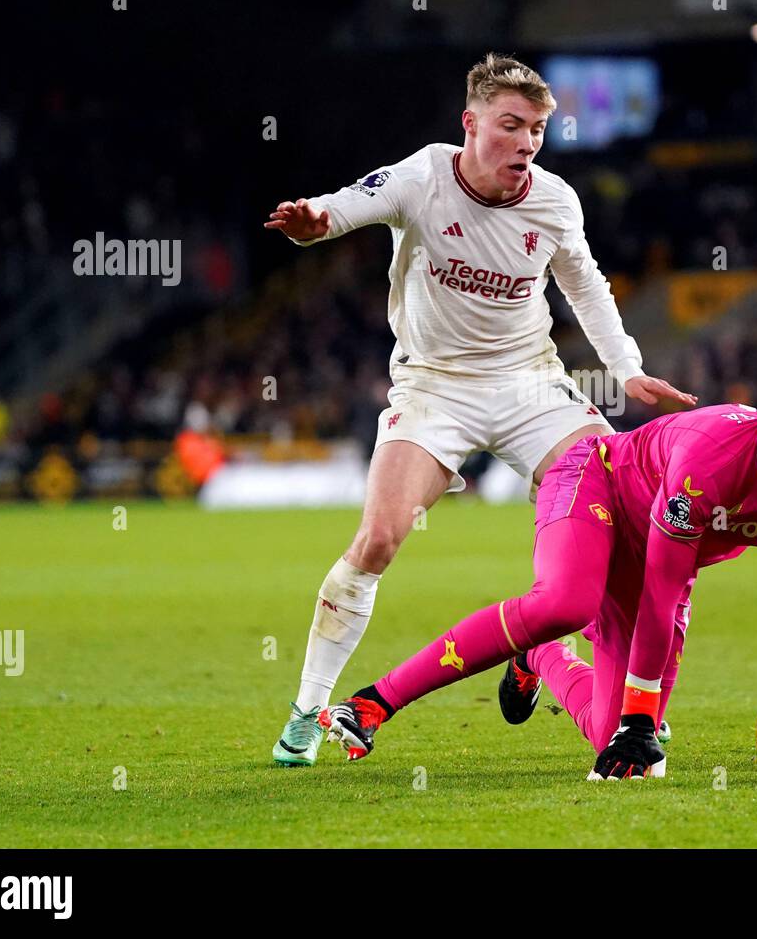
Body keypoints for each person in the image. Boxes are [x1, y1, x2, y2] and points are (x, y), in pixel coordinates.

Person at [264, 53, 695, 765]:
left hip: (529, 383)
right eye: (510, 126)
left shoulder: (554, 200)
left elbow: (584, 284)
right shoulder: (423, 177)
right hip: (434, 387)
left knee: (621, 510)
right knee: (377, 540)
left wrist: (626, 368)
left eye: (536, 131)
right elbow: (346, 205)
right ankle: (308, 712)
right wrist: (315, 221)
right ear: (470, 125)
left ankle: (621, 701)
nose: (526, 144)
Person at [325, 357, 757, 779]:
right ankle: (373, 702)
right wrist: (642, 722)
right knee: (567, 604)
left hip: (658, 551)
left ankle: (540, 656)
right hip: (599, 484)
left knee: (612, 741)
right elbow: (663, 591)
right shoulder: (711, 462)